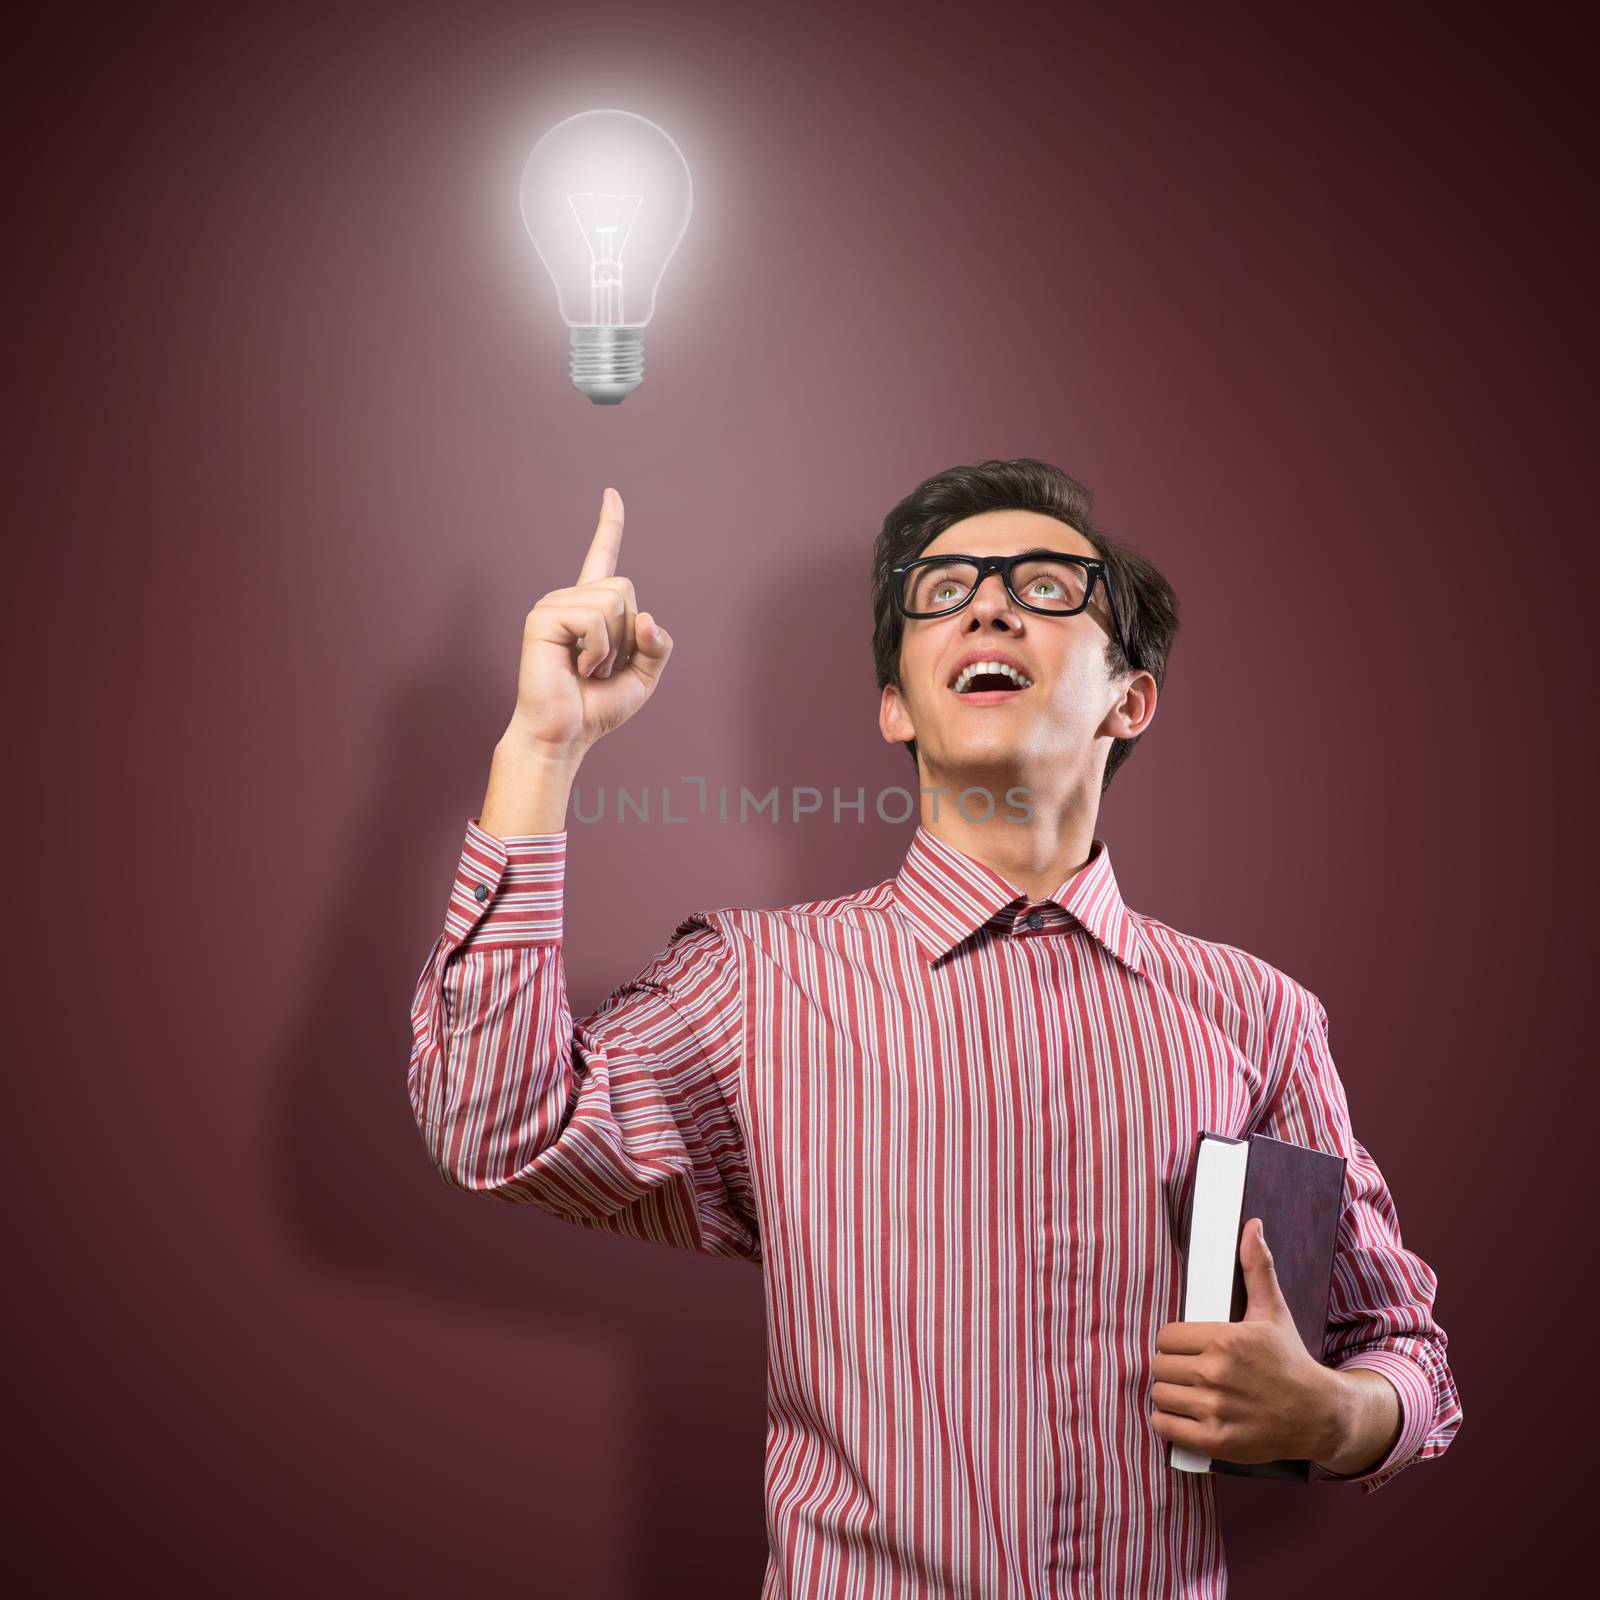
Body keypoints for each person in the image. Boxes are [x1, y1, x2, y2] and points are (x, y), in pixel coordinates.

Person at [407, 459, 1462, 1597]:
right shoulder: (757, 981)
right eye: (943, 587)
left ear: (1130, 697)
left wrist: (1340, 1412)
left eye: (1050, 586)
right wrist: (540, 752)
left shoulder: (1256, 1015)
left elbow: (1405, 1352)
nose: (989, 603)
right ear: (895, 703)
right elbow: (493, 1126)